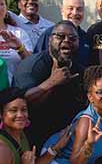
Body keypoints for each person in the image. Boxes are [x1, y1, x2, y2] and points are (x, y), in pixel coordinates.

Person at [13, 21, 86, 151]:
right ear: (49, 40)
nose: (66, 40)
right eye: (60, 36)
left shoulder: (79, 69)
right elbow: (20, 102)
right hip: (34, 139)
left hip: (66, 138)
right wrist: (52, 82)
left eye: (72, 38)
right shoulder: (32, 67)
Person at [34, 0, 91, 65]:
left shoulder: (86, 37)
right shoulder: (49, 34)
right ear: (62, 11)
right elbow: (37, 62)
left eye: (79, 9)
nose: (74, 13)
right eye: (70, 8)